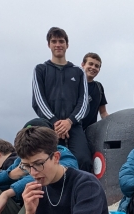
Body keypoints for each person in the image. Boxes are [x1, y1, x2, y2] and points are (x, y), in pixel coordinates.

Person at [32, 27, 93, 173]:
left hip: (74, 124)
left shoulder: (78, 72)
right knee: (48, 161)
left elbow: (84, 102)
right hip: (48, 125)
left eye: (61, 41)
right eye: (54, 41)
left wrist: (69, 122)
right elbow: (39, 100)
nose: (58, 44)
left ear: (67, 44)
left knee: (83, 159)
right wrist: (55, 122)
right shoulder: (40, 70)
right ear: (49, 45)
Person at [80, 52, 109, 131]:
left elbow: (103, 113)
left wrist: (112, 121)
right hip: (72, 130)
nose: (93, 67)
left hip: (90, 132)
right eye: (90, 64)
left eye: (97, 66)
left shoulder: (99, 87)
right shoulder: (74, 84)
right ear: (83, 65)